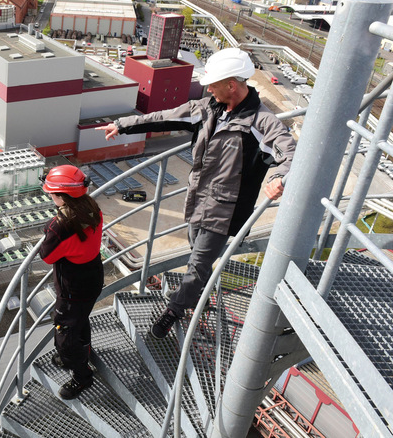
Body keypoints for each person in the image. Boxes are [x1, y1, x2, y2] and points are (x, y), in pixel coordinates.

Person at [96, 48, 296, 339]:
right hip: (197, 200)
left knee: (198, 265)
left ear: (232, 85)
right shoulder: (208, 108)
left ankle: (175, 310)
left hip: (225, 209)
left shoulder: (260, 122)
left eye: (213, 85)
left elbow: (289, 153)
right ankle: (193, 291)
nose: (209, 89)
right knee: (195, 252)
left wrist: (279, 178)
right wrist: (123, 125)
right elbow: (165, 116)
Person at [39, 165, 104, 399]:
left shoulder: (60, 227)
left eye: (52, 194)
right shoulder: (91, 207)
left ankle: (81, 375)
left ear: (61, 196)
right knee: (80, 318)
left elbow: (47, 256)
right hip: (93, 277)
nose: (50, 196)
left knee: (65, 334)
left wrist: (50, 226)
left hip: (72, 288)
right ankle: (83, 350)